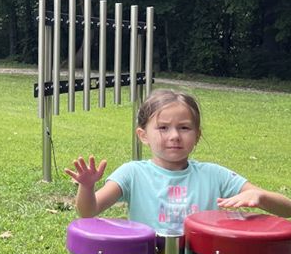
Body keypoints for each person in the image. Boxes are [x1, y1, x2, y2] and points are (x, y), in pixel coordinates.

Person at [65, 89, 291, 233]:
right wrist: (86, 187)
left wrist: (260, 196)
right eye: (163, 128)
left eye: (184, 128)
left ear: (197, 135)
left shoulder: (216, 176)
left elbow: (287, 209)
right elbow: (88, 211)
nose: (174, 136)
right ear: (143, 135)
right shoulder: (131, 173)